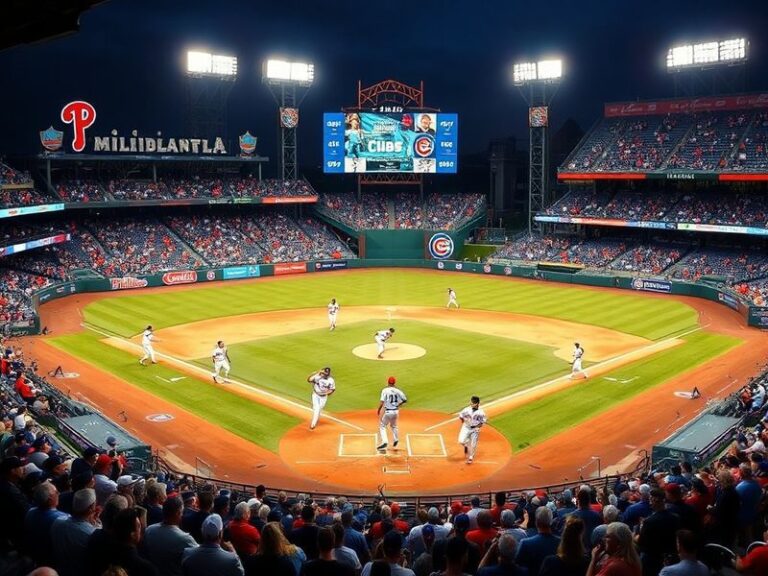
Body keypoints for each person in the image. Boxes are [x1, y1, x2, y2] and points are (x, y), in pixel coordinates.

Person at [377, 376, 408, 451]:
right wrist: (398, 405)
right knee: (394, 426)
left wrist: (379, 409)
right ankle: (396, 439)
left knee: (382, 426)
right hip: (396, 412)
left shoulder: (385, 390)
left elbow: (382, 402)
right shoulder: (398, 391)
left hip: (388, 412)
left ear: (388, 382)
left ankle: (385, 441)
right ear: (394, 383)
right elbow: (405, 400)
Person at [458, 396, 487, 464]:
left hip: (475, 429)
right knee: (461, 441)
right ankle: (466, 445)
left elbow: (483, 421)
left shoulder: (481, 412)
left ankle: (471, 457)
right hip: (466, 427)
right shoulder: (466, 409)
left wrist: (478, 427)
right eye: (471, 402)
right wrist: (463, 421)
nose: (471, 404)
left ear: (477, 404)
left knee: (473, 444)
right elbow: (460, 415)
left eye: (473, 403)